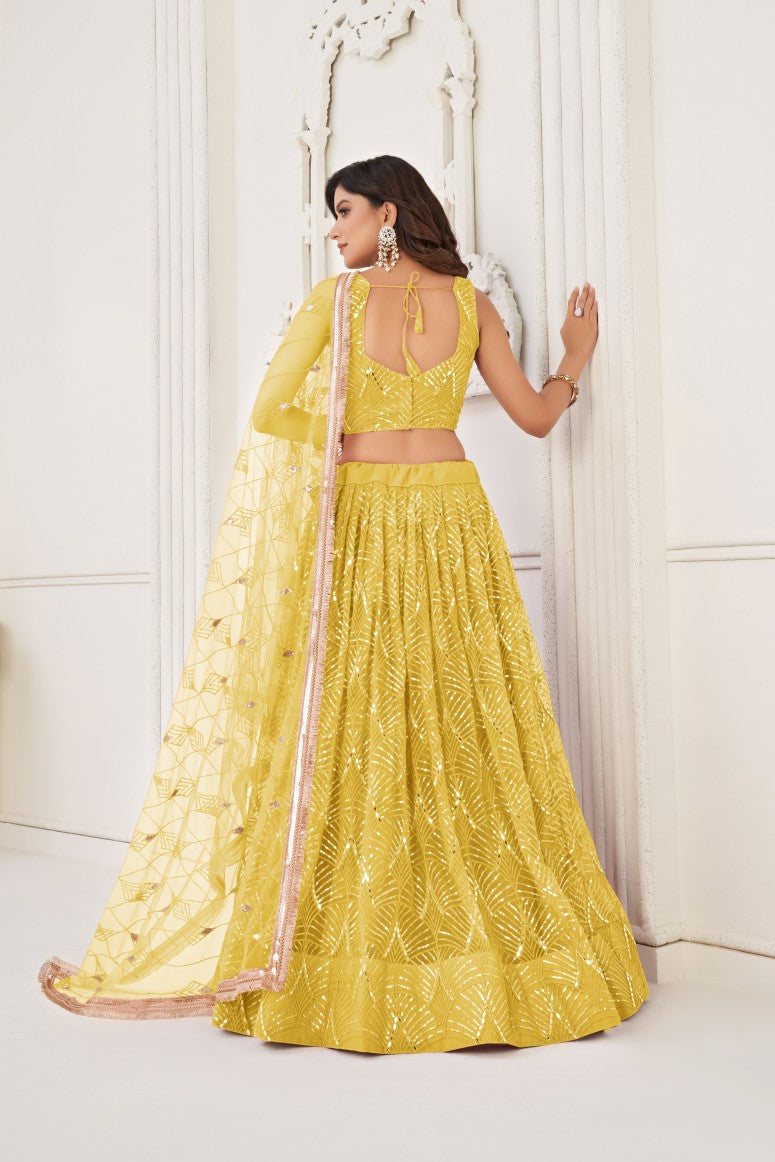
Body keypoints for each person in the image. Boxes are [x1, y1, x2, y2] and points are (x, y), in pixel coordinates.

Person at [38, 154, 648, 1054]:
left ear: (388, 213)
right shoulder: (472, 304)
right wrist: (574, 358)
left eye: (345, 210)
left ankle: (347, 951)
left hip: (362, 514)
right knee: (464, 713)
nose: (333, 229)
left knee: (355, 716)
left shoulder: (336, 302)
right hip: (451, 513)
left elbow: (269, 413)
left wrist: (340, 429)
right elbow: (534, 416)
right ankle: (480, 945)